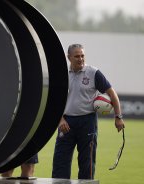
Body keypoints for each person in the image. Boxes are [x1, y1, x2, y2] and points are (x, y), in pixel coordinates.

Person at [52, 44, 125, 180]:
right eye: (77, 56)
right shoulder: (61, 74)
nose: (80, 59)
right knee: (60, 162)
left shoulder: (93, 73)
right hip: (65, 122)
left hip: (88, 122)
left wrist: (118, 116)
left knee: (87, 163)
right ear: (69, 57)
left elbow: (112, 93)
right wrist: (60, 119)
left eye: (82, 55)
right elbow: (53, 100)